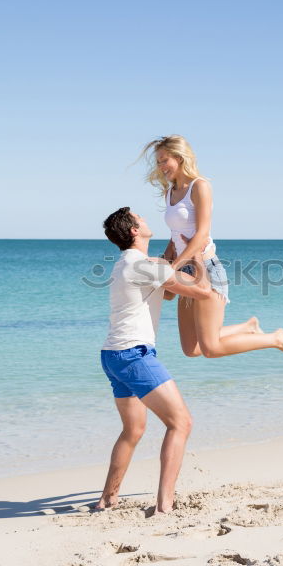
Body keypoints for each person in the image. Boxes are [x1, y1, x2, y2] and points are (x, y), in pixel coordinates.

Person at [94, 206, 213, 515]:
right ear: (135, 231)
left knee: (133, 431)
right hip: (135, 355)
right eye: (141, 219)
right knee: (181, 423)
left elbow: (168, 293)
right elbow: (202, 291)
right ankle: (164, 505)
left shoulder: (127, 263)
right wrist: (197, 255)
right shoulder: (145, 265)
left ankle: (108, 498)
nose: (146, 220)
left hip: (113, 355)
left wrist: (171, 260)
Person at [139, 135, 283, 360]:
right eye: (158, 162)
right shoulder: (169, 193)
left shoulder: (200, 186)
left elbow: (202, 234)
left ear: (180, 157)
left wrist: (172, 267)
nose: (161, 167)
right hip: (184, 269)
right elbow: (176, 235)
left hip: (205, 267)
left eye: (164, 160)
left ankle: (275, 338)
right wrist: (164, 262)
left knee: (211, 349)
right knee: (191, 349)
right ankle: (249, 327)